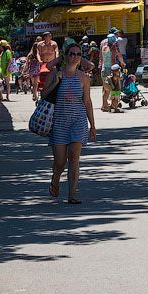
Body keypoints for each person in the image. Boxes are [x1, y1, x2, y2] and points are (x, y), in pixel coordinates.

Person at [43, 42, 96, 204]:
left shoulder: (83, 77)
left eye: (78, 54)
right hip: (59, 122)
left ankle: (72, 194)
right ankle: (55, 180)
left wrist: (92, 125)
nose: (75, 57)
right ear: (65, 56)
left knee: (74, 159)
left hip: (78, 121)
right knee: (59, 162)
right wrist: (55, 81)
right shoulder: (55, 74)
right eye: (71, 54)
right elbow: (44, 95)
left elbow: (87, 101)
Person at [99, 32, 125, 112]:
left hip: (103, 70)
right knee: (114, 88)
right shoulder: (113, 47)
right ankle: (113, 106)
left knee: (106, 89)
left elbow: (101, 58)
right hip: (110, 70)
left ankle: (104, 105)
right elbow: (115, 58)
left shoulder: (103, 47)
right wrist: (121, 64)